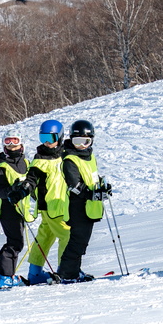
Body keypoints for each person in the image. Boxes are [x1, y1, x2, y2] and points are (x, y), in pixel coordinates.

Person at [58, 119, 109, 282]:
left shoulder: (89, 156)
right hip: (77, 206)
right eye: (77, 141)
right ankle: (67, 273)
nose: (81, 145)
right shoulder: (69, 160)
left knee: (82, 242)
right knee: (77, 242)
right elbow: (75, 185)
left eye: (85, 141)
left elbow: (92, 177)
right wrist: (91, 194)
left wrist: (102, 188)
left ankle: (74, 270)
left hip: (90, 207)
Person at [27, 119, 70, 284]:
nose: (46, 142)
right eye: (43, 137)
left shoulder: (67, 155)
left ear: (59, 137)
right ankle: (66, 271)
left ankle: (35, 272)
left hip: (60, 206)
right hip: (52, 207)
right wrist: (25, 189)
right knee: (67, 235)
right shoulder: (39, 160)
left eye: (50, 138)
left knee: (45, 237)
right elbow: (31, 180)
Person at [0, 134, 37, 289]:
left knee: (15, 241)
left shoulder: (25, 162)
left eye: (15, 142)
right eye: (8, 142)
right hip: (9, 210)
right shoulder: (2, 166)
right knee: (15, 243)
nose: (11, 145)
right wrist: (12, 190)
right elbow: (0, 191)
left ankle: (0, 275)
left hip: (21, 209)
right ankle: (5, 276)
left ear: (21, 144)